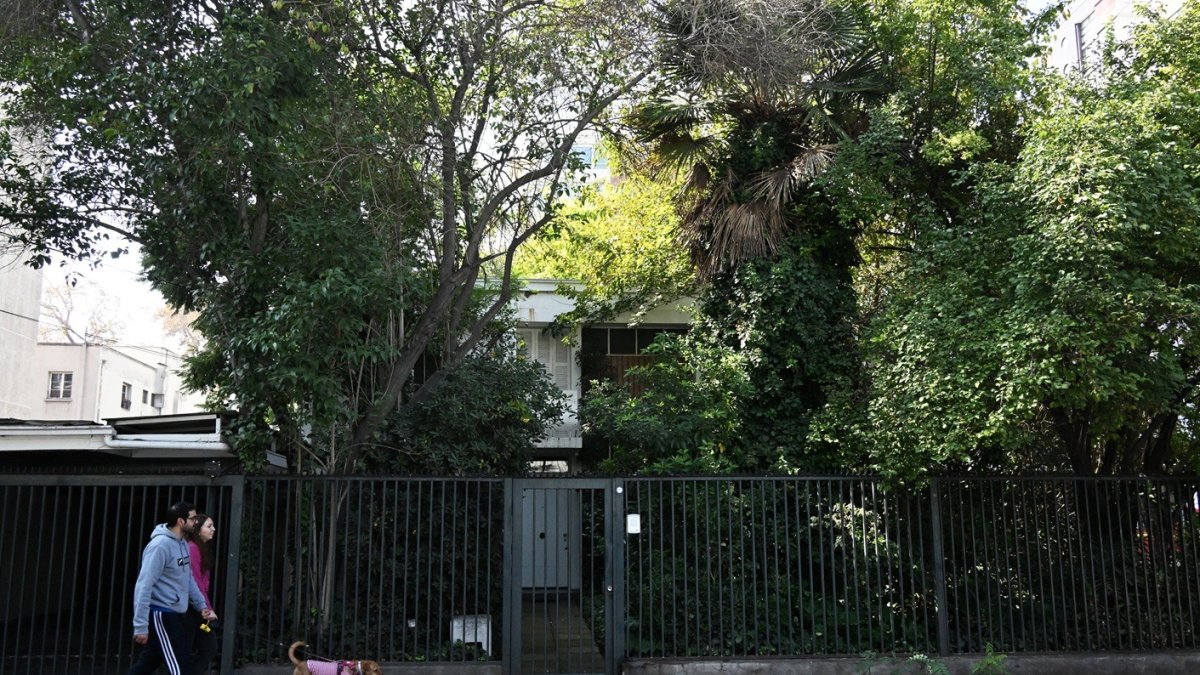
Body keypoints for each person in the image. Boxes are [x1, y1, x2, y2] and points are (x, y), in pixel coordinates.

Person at [127, 501, 217, 675]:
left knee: (149, 661)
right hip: (162, 613)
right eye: (192, 519)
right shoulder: (160, 546)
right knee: (179, 665)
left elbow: (188, 578)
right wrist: (140, 625)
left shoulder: (181, 544)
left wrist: (201, 605)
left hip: (174, 613)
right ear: (181, 521)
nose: (195, 522)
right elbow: (144, 584)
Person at [184, 513, 219, 675]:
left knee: (207, 648)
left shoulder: (200, 548)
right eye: (209, 526)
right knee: (208, 647)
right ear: (198, 530)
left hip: (197, 607)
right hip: (192, 608)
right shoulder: (193, 549)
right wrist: (206, 608)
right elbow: (196, 581)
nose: (213, 529)